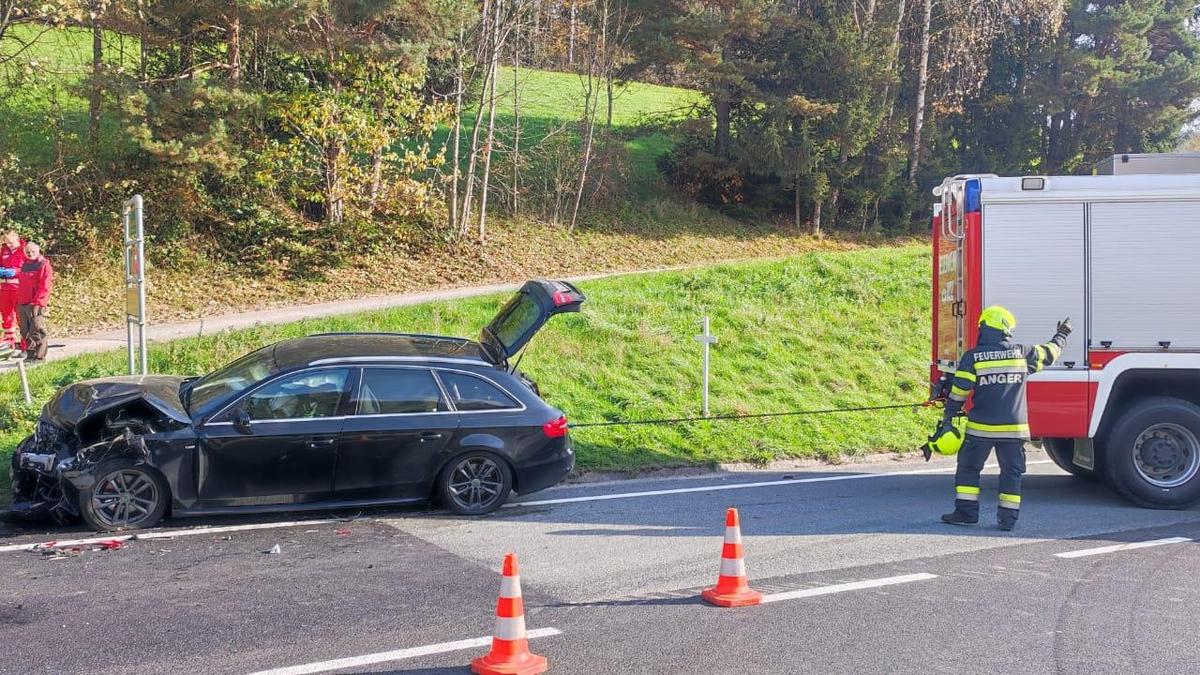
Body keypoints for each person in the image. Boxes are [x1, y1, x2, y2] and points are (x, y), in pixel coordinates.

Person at [938, 306, 1072, 531]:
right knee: (1011, 473)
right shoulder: (1023, 353)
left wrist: (949, 416)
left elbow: (959, 392)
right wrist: (1062, 334)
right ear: (1006, 330)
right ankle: (1007, 521)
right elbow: (1050, 352)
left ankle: (966, 513)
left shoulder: (973, 357)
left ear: (984, 327)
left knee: (969, 469)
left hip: (980, 429)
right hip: (1014, 430)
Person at [17, 242, 53, 361]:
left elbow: (45, 285)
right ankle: (30, 354)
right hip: (22, 302)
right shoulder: (24, 265)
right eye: (28, 252)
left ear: (38, 251)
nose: (30, 254)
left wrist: (38, 302)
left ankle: (40, 356)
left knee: (36, 330)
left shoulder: (43, 264)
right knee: (24, 331)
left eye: (33, 251)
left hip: (35, 303)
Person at [0, 230, 24, 349]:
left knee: (21, 315)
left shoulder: (24, 250)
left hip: (18, 288)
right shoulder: (4, 250)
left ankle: (26, 344)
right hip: (5, 287)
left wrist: (15, 272)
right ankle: (9, 343)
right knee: (7, 316)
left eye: (11, 242)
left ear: (17, 238)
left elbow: (29, 268)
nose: (9, 245)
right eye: (6, 242)